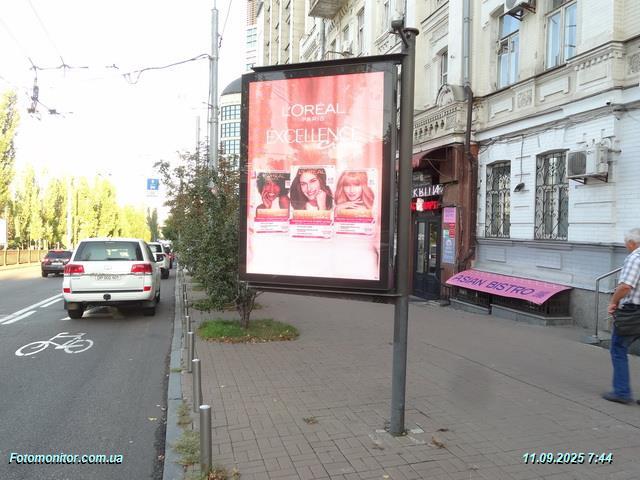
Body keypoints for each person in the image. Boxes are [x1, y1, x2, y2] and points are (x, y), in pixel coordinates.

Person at [602, 228, 640, 404]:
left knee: (618, 348)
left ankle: (622, 392)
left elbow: (625, 286)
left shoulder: (635, 258)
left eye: (626, 243)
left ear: (631, 243)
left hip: (634, 313)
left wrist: (613, 302)